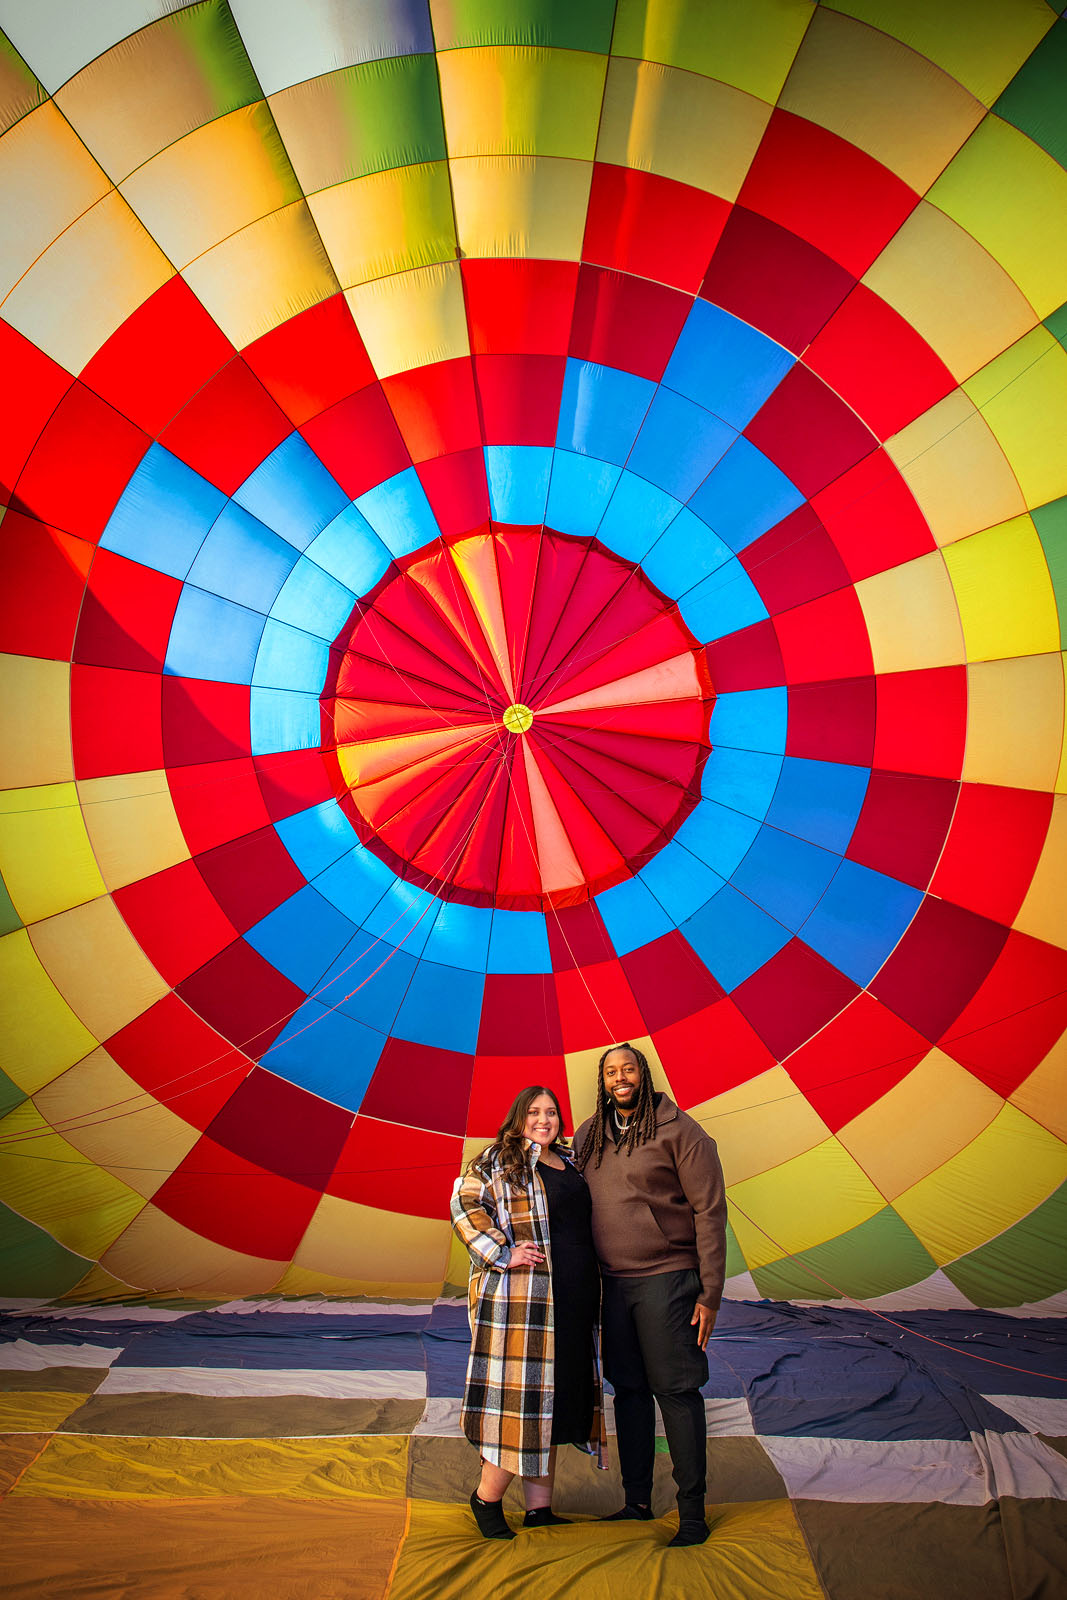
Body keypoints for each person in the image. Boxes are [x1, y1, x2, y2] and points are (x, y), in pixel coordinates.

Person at [575, 1043, 727, 1548]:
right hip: (611, 1287)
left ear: (644, 1074)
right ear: (603, 1081)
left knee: (677, 1393)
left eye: (628, 1069)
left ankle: (692, 1515)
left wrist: (711, 1293)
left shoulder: (682, 1133)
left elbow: (710, 1212)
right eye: (611, 1072)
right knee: (629, 1392)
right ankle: (636, 1501)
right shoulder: (588, 1136)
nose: (620, 1078)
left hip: (669, 1280)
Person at [451, 1084, 606, 1540]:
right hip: (525, 1306)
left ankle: (540, 1510)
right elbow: (463, 1205)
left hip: (574, 1303)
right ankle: (486, 1499)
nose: (545, 1119)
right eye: (535, 1112)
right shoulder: (498, 1160)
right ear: (518, 1118)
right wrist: (501, 1251)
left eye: (552, 1112)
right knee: (520, 1404)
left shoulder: (571, 1162)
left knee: (554, 1404)